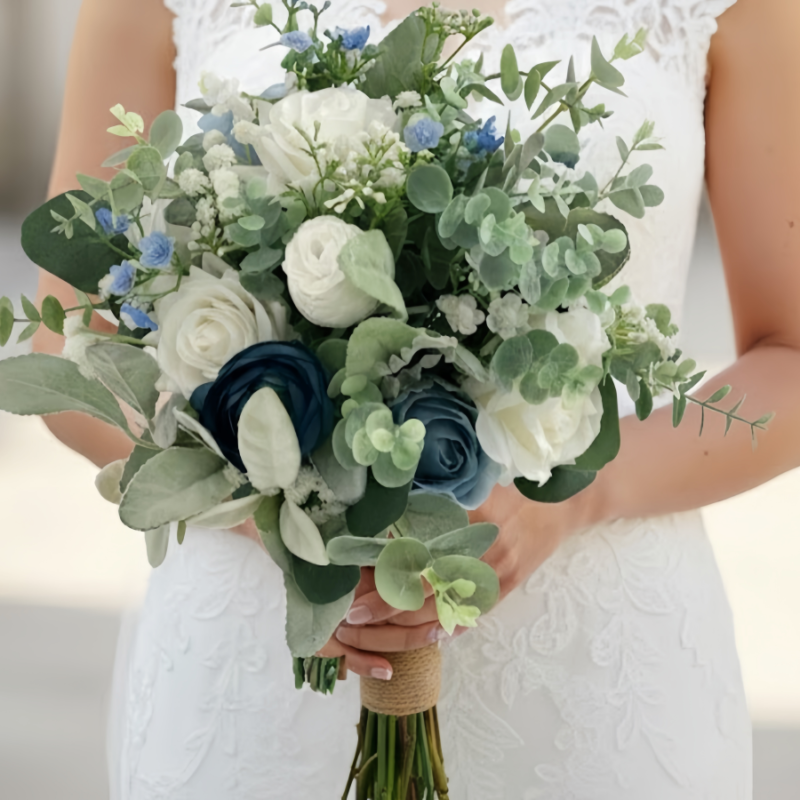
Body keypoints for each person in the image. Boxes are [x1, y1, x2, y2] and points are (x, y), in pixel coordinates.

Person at [35, 0, 800, 797]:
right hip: (260, 662)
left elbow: (791, 355)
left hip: (596, 674)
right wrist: (272, 504)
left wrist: (574, 497)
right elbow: (66, 340)